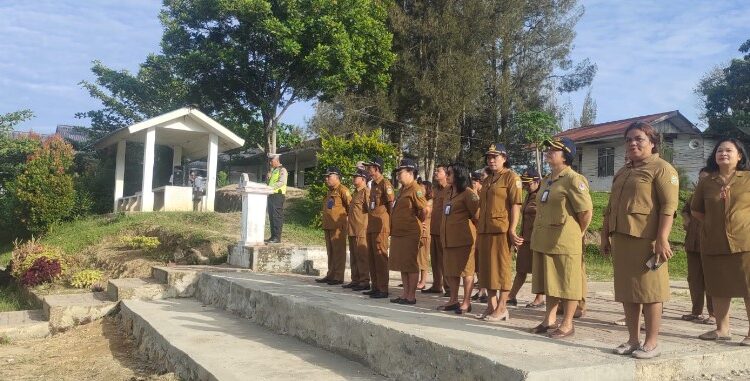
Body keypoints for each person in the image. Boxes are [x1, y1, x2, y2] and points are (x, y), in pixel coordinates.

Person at [602, 121, 679, 359]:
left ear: (652, 143)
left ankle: (651, 342)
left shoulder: (662, 168)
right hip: (622, 238)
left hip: (647, 240)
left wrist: (662, 238)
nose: (632, 143)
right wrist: (605, 236)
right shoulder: (623, 171)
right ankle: (633, 340)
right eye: (628, 140)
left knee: (650, 292)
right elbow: (610, 207)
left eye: (639, 139)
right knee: (628, 292)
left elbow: (669, 206)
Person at [528, 138, 593, 339]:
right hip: (545, 238)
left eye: (554, 150)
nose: (549, 152)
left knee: (568, 282)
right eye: (548, 149)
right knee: (550, 281)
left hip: (565, 241)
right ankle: (549, 319)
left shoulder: (574, 179)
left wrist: (577, 233)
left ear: (565, 155)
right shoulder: (548, 179)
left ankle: (567, 323)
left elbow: (586, 212)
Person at [691, 138, 750, 345]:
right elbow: (696, 210)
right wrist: (713, 224)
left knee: (748, 287)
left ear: (740, 155)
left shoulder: (748, 179)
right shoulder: (707, 181)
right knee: (717, 286)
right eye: (719, 151)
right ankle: (722, 329)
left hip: (745, 242)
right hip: (713, 241)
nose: (723, 153)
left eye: (728, 150)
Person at [476, 143, 523, 322]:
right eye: (489, 157)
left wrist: (512, 229)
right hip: (485, 229)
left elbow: (515, 205)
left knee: (502, 269)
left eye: (495, 156)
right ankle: (491, 305)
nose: (491, 160)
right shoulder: (487, 180)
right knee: (487, 269)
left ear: (504, 158)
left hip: (501, 230)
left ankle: (502, 307)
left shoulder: (511, 178)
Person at [437, 163, 480, 314]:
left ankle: (466, 302)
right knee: (451, 271)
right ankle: (453, 300)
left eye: (450, 173)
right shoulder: (447, 191)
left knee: (466, 271)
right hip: (448, 239)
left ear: (459, 175)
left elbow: (477, 215)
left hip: (463, 239)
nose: (447, 176)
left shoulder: (468, 193)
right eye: (447, 173)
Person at [389, 158, 428, 305]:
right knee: (402, 264)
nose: (398, 175)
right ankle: (405, 294)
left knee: (410, 264)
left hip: (410, 232)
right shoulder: (402, 190)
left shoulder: (415, 188)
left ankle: (411, 296)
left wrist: (421, 221)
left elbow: (424, 209)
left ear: (411, 172)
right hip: (399, 232)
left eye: (401, 172)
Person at [508, 168, 545, 309]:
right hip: (525, 239)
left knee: (538, 270)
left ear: (537, 181)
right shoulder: (529, 196)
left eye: (528, 184)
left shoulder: (542, 196)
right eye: (524, 184)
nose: (525, 186)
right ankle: (511, 296)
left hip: (538, 238)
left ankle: (539, 298)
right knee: (521, 269)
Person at [681, 167, 714, 324]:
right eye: (699, 178)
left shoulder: (716, 197)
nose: (701, 181)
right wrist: (686, 219)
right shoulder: (693, 197)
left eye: (705, 179)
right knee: (693, 279)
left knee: (711, 280)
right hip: (692, 244)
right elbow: (685, 210)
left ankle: (714, 314)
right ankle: (696, 312)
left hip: (710, 245)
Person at [363, 156, 395, 299]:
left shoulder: (385, 183)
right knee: (372, 256)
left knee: (381, 257)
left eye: (370, 167)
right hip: (372, 225)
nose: (368, 170)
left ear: (376, 169)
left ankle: (383, 288)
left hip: (381, 225)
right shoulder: (373, 185)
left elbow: (391, 205)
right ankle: (375, 286)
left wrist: (391, 225)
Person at [316, 166, 351, 285]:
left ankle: (338, 276)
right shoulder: (330, 191)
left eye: (328, 176)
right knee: (330, 252)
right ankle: (330, 274)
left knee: (339, 252)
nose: (326, 179)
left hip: (338, 227)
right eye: (326, 177)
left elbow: (350, 207)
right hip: (328, 226)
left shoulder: (343, 190)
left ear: (336, 177)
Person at [423, 165, 448, 294]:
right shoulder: (436, 190)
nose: (435, 173)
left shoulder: (450, 189)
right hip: (434, 229)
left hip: (445, 230)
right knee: (435, 259)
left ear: (446, 174)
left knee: (446, 260)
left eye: (439, 171)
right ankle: (436, 285)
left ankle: (449, 288)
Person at [345, 168, 371, 291]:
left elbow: (371, 211)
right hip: (352, 229)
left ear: (363, 179)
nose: (353, 178)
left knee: (362, 256)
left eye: (356, 177)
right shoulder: (356, 193)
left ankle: (364, 280)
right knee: (354, 256)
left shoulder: (366, 192)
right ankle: (355, 279)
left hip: (361, 229)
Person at [470, 169, 488, 303]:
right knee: (477, 261)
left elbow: (478, 213)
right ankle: (481, 289)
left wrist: (475, 194)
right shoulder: (473, 193)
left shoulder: (482, 193)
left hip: (482, 229)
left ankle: (484, 290)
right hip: (475, 230)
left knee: (483, 261)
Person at [265, 153, 288, 244]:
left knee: (276, 216)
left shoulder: (283, 170)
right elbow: (269, 183)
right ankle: (273, 236)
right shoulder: (273, 171)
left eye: (272, 160)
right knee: (271, 216)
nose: (270, 162)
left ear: (277, 160)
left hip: (278, 196)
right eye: (270, 161)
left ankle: (277, 238)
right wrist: (268, 178)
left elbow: (282, 182)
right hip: (271, 195)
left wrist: (271, 187)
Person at [417, 180, 434, 290]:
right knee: (417, 257)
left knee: (423, 257)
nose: (420, 190)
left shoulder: (430, 201)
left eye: (422, 188)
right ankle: (418, 280)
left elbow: (426, 211)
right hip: (419, 231)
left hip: (425, 232)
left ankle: (423, 281)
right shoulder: (421, 201)